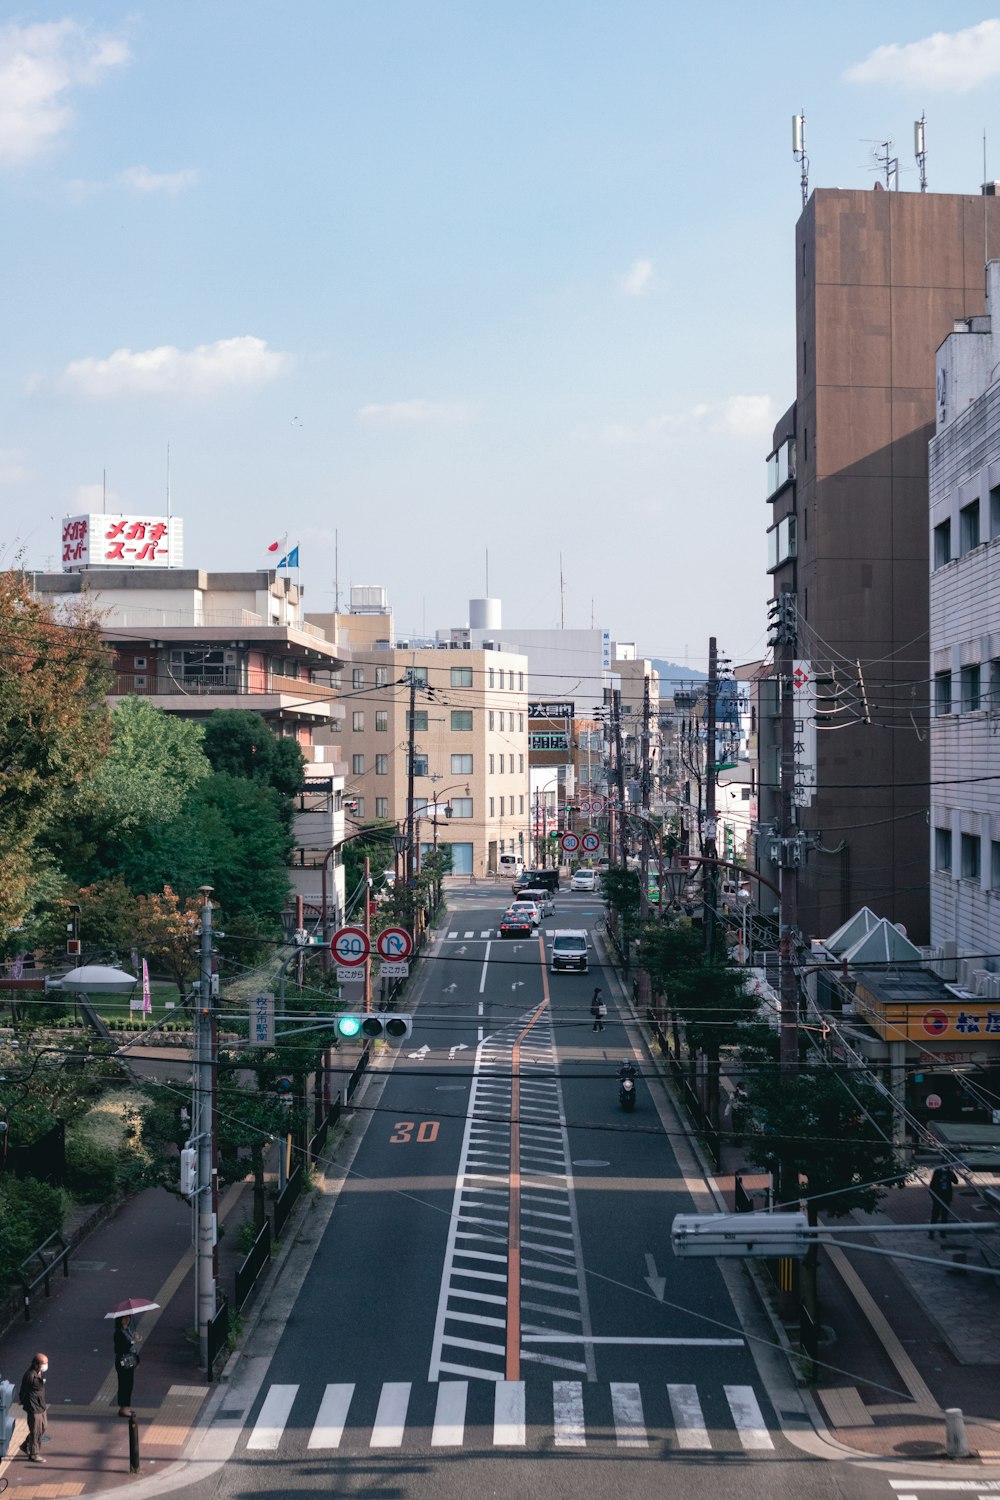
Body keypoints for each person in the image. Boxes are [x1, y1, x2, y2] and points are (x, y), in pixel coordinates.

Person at [18, 1353, 48, 1463]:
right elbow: (24, 1391)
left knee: (44, 1427)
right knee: (36, 1430)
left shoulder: (39, 1373)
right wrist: (25, 1403)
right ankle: (34, 1454)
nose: (46, 1366)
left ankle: (26, 1444)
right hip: (33, 1406)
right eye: (44, 1364)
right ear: (36, 1364)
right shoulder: (30, 1376)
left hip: (41, 1405)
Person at [114, 1314, 140, 1417]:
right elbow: (120, 1348)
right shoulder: (118, 1333)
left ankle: (126, 1407)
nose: (127, 1319)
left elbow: (131, 1346)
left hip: (129, 1361)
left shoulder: (128, 1330)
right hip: (123, 1361)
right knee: (124, 1384)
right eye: (124, 1317)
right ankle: (123, 1408)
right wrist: (133, 1341)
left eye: (128, 1317)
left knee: (129, 1384)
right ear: (120, 1320)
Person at [929, 1161, 959, 1237]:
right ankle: (931, 1232)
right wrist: (934, 1197)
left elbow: (955, 1182)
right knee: (935, 1215)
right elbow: (932, 1185)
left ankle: (943, 1232)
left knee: (944, 1215)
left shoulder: (949, 1172)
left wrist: (952, 1172)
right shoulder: (938, 1172)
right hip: (938, 1196)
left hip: (946, 1196)